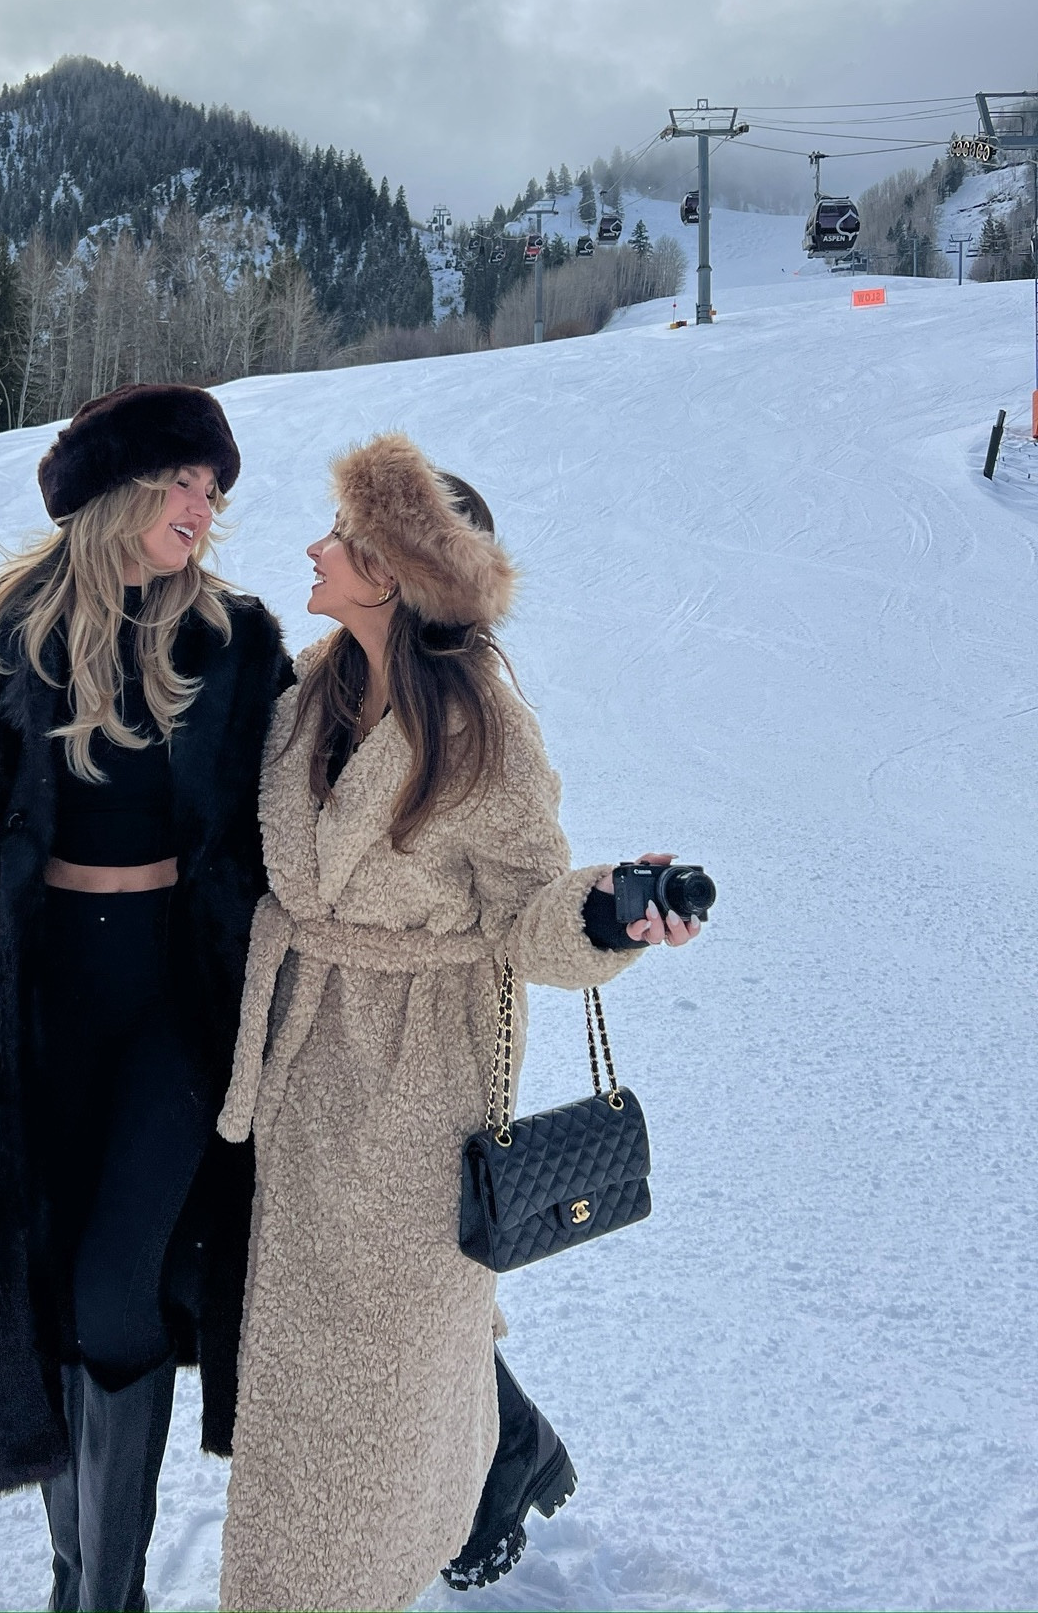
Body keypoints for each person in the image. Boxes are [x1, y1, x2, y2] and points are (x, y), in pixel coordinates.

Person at [216, 433, 702, 1613]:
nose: (314, 549)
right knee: (306, 1380)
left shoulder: (482, 728)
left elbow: (535, 905)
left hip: (415, 1088)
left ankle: (333, 1581)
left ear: (392, 572)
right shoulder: (311, 691)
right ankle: (438, 1503)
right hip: (302, 1069)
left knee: (372, 1387)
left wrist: (610, 912)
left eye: (341, 537)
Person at [0, 384, 290, 1613]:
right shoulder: (7, 625)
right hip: (50, 996)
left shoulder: (234, 636)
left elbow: (287, 811)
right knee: (58, 1285)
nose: (202, 508)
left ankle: (104, 1592)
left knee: (125, 1281)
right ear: (119, 490)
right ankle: (80, 1580)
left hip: (178, 999)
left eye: (213, 491)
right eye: (183, 482)